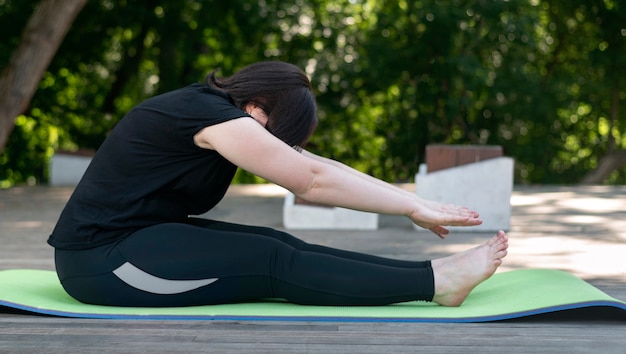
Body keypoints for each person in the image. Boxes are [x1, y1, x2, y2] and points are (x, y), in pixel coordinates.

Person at [48, 61, 508, 308]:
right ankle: (436, 283)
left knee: (275, 242)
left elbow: (320, 164)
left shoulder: (215, 112)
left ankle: (432, 276)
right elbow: (311, 182)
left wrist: (416, 201)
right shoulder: (208, 115)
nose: (276, 147)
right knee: (272, 260)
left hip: (133, 245)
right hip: (103, 266)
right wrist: (410, 211)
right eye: (277, 136)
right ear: (257, 107)